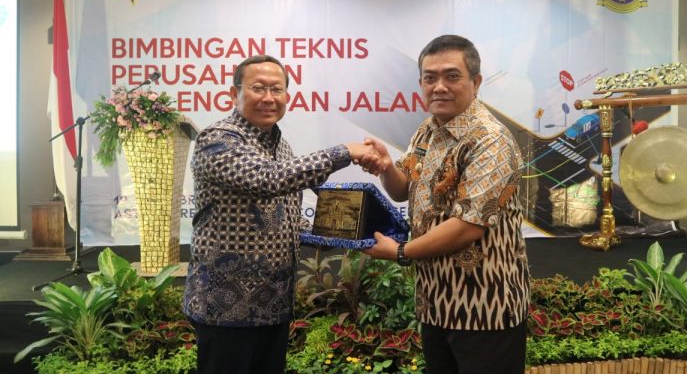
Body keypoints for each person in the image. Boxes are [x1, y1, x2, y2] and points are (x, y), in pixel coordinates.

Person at [183, 54, 381, 374]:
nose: (268, 97)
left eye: (277, 89)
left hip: (273, 306)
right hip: (226, 309)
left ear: (287, 96)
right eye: (258, 88)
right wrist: (344, 152)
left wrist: (341, 233)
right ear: (234, 94)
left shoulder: (280, 145)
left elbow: (280, 218)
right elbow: (267, 180)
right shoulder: (218, 139)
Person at [363, 35, 530, 374]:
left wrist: (401, 251)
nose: (439, 87)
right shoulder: (427, 130)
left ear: (476, 82)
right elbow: (402, 188)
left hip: (485, 307)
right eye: (430, 77)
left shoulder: (490, 139)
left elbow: (468, 225)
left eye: (452, 76)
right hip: (437, 302)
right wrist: (385, 167)